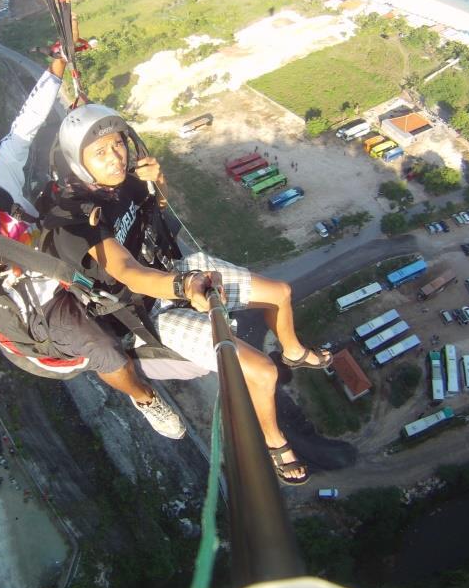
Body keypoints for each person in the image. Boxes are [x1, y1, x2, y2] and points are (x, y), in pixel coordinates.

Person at [0, 56, 185, 439]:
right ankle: (144, 398)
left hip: (53, 255)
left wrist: (56, 68)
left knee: (109, 237)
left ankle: (164, 305)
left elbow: (24, 128)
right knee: (106, 349)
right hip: (38, 310)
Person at [43, 103, 332, 485]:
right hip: (153, 310)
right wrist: (184, 286)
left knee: (279, 292)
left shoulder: (125, 178)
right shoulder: (75, 219)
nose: (115, 158)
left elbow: (160, 207)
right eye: (100, 153)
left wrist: (156, 179)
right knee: (261, 371)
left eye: (118, 145)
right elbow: (128, 273)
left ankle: (294, 352)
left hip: (176, 267)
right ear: (78, 164)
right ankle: (274, 441)